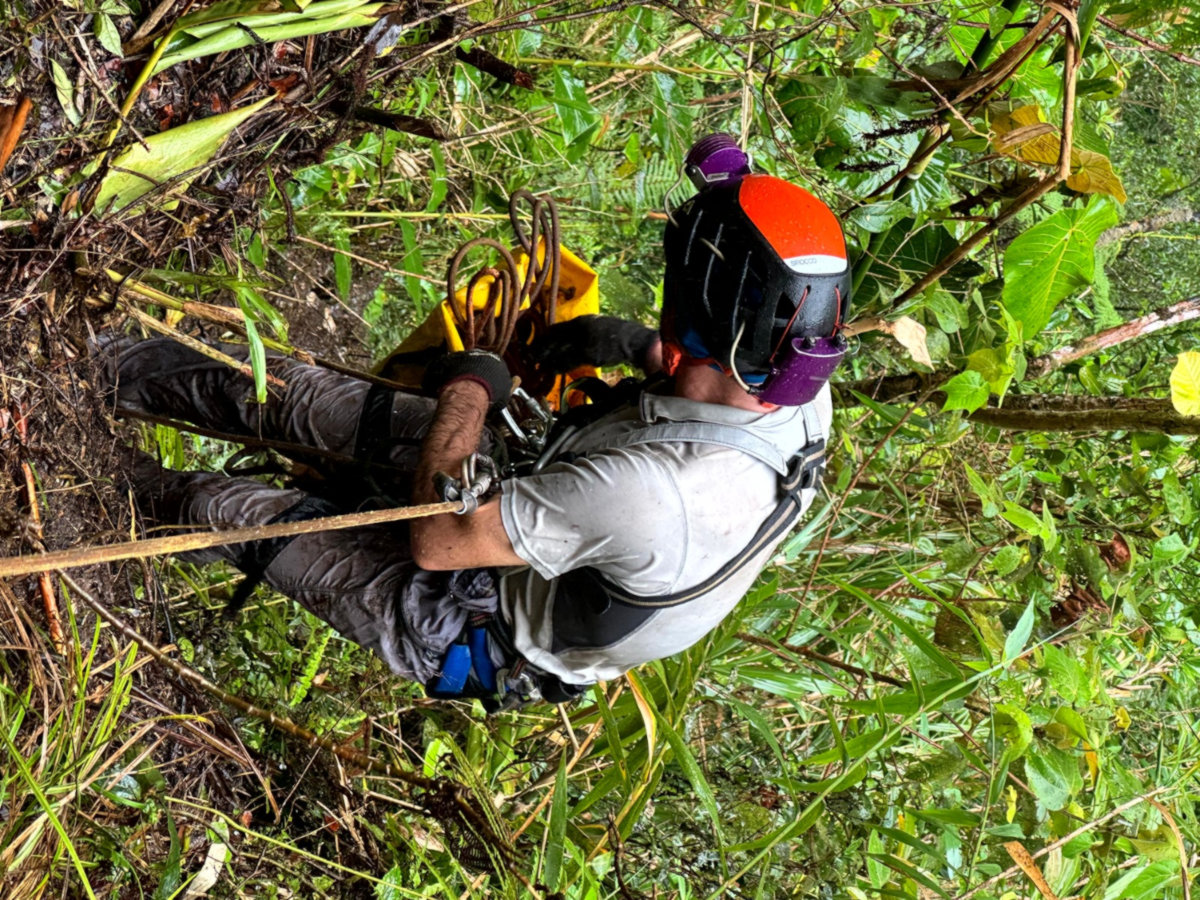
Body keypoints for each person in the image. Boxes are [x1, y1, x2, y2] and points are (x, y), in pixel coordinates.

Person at [105, 134, 852, 708]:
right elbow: (697, 369)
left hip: (481, 620)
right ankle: (96, 362)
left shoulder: (658, 495)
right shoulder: (792, 380)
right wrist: (624, 344)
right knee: (289, 396)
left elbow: (439, 539)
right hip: (544, 495)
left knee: (225, 511)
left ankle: (84, 488)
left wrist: (469, 388)